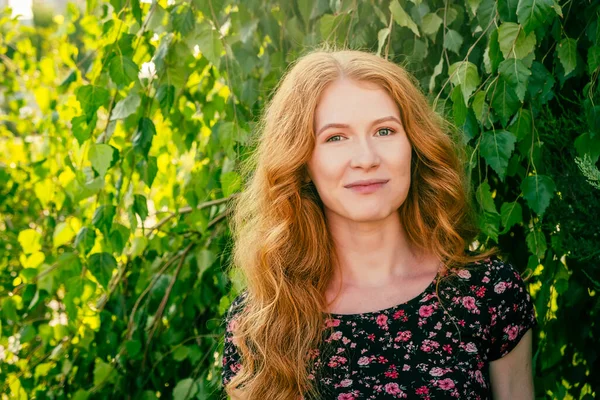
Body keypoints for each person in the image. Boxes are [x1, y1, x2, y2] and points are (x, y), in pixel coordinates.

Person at [221, 47, 537, 400]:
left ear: (414, 145)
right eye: (336, 137)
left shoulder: (489, 293)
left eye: (384, 131)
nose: (367, 159)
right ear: (302, 161)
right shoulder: (260, 324)